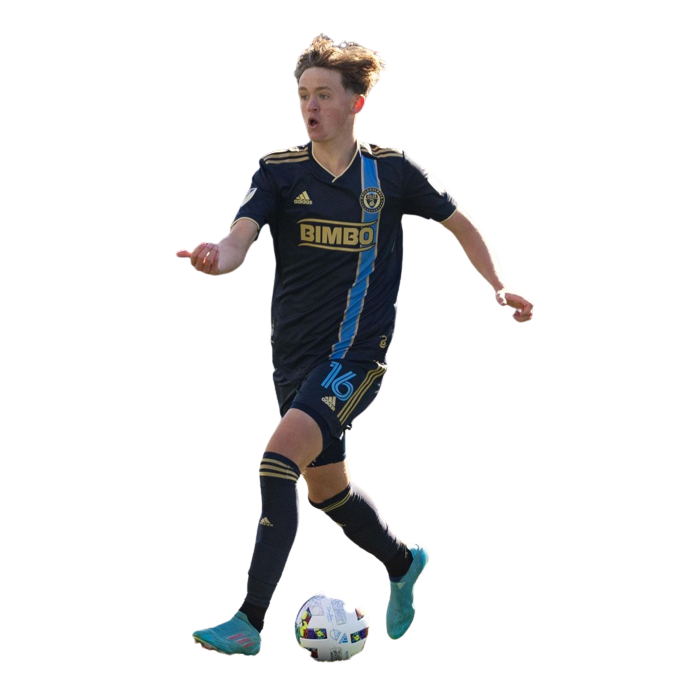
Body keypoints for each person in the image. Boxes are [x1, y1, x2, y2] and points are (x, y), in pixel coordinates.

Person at [176, 33, 534, 657]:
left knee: (277, 460)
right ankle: (402, 562)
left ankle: (249, 621)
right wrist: (215, 258)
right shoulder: (279, 170)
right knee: (326, 491)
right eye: (302, 95)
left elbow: (463, 225)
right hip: (291, 358)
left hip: (356, 356)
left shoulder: (391, 171)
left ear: (355, 103)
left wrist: (500, 286)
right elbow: (237, 243)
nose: (309, 107)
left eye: (322, 95)